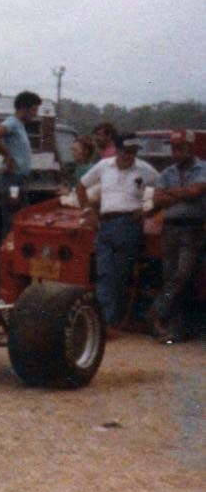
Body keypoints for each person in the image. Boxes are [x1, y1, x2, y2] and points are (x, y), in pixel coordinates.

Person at [77, 133, 159, 327]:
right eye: (126, 151)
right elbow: (81, 185)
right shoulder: (104, 166)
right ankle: (103, 321)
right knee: (103, 272)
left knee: (121, 273)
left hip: (129, 224)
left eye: (133, 151)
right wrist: (88, 211)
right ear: (117, 150)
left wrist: (150, 210)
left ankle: (111, 320)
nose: (130, 155)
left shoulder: (145, 169)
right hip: (105, 223)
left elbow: (164, 189)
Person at [148, 130, 205, 342]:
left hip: (193, 228)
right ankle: (175, 330)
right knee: (171, 276)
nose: (176, 152)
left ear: (191, 147)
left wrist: (171, 193)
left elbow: (196, 192)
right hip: (170, 228)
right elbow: (157, 199)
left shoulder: (203, 168)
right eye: (173, 148)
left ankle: (156, 311)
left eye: (180, 148)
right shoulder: (167, 172)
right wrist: (183, 193)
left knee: (183, 274)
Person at [0, 91, 42, 232]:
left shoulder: (19, 125)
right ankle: (9, 245)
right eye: (34, 110)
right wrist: (8, 156)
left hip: (18, 180)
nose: (35, 114)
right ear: (23, 107)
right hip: (12, 181)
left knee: (21, 218)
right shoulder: (12, 123)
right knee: (13, 217)